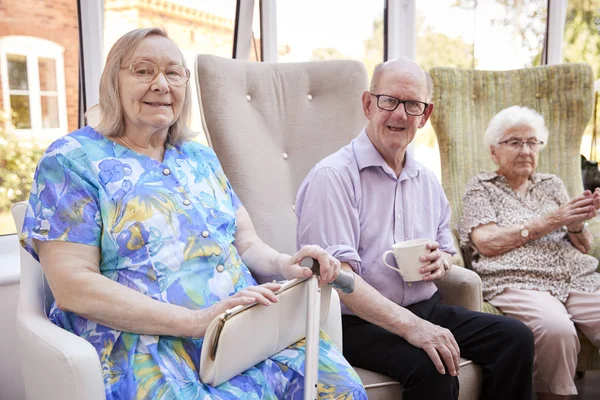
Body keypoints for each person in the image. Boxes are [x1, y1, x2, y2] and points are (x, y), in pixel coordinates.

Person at [20, 27, 367, 400]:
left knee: (340, 388)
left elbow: (245, 241)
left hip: (244, 332)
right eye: (142, 70)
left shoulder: (198, 156)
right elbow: (73, 286)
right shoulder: (71, 160)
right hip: (148, 344)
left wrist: (288, 264)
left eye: (173, 72)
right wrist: (195, 322)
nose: (161, 84)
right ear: (112, 83)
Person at [295, 58, 535, 400]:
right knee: (432, 366)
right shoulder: (332, 177)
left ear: (425, 115)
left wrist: (443, 264)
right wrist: (413, 328)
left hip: (426, 306)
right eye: (389, 100)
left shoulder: (426, 179)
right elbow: (340, 280)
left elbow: (445, 251)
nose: (399, 114)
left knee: (515, 338)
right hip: (353, 321)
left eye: (412, 105)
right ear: (367, 104)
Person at [459, 105, 600, 400]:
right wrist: (549, 221)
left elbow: (584, 245)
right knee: (556, 329)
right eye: (515, 142)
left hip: (573, 274)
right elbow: (486, 242)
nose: (526, 150)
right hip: (517, 278)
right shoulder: (481, 187)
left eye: (532, 142)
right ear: (494, 151)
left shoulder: (552, 184)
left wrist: (575, 223)